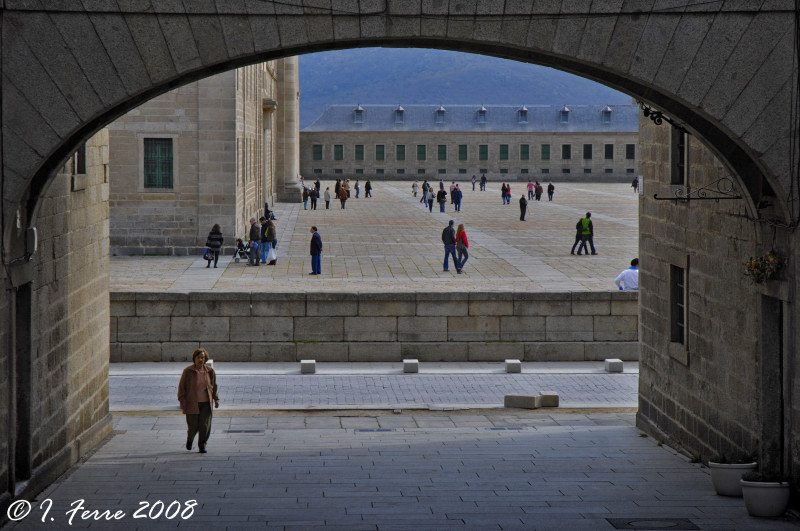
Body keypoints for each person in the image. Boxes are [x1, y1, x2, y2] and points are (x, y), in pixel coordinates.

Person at [178, 348, 219, 454]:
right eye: (199, 357)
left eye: (203, 357)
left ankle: (202, 445)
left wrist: (216, 399)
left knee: (205, 425)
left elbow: (213, 386)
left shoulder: (209, 371)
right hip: (192, 402)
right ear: (194, 358)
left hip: (206, 403)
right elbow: (182, 387)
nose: (201, 359)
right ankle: (190, 439)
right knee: (193, 426)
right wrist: (182, 400)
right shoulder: (188, 371)